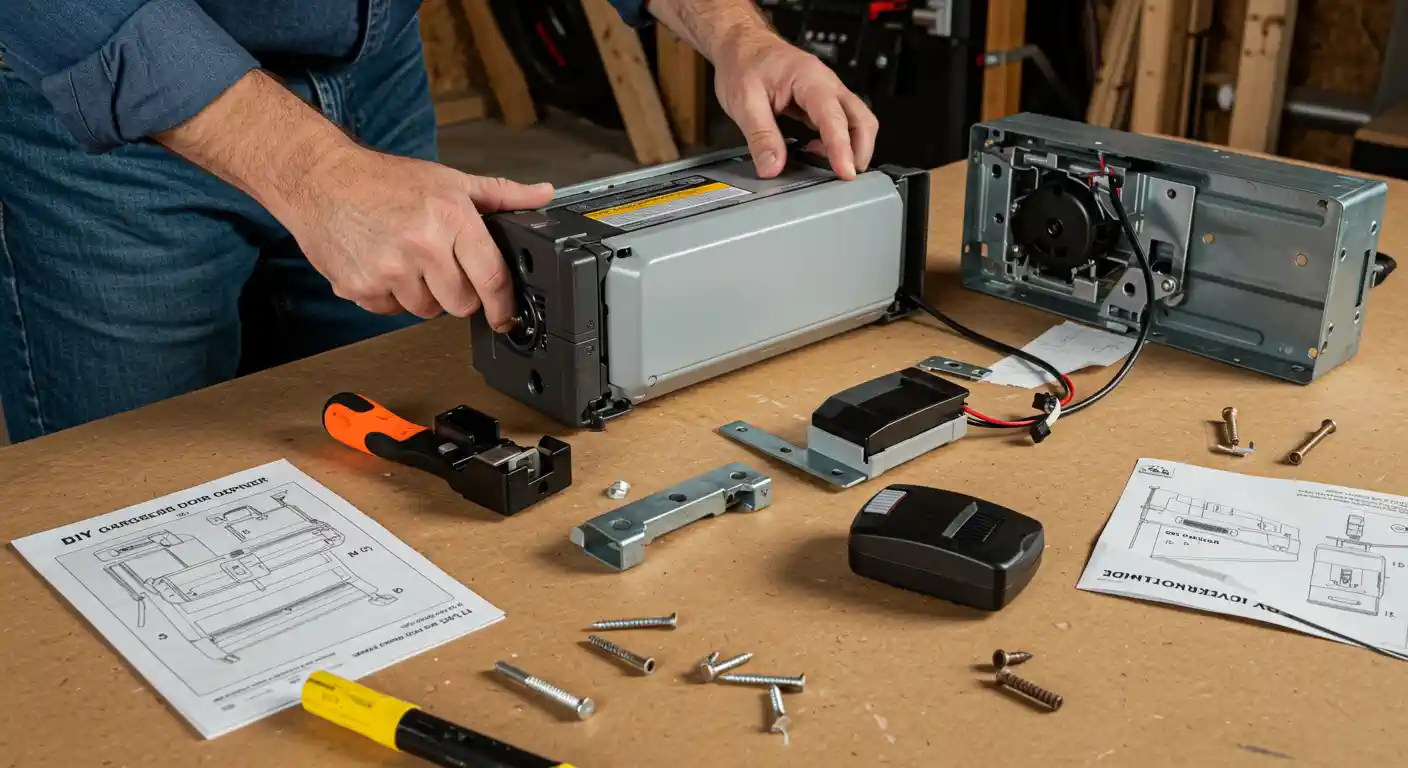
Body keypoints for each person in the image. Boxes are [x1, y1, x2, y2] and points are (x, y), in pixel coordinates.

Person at [0, 0, 878, 444]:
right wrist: (314, 171)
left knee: (376, 432)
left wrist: (734, 31)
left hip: (371, 69)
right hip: (107, 106)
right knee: (137, 502)